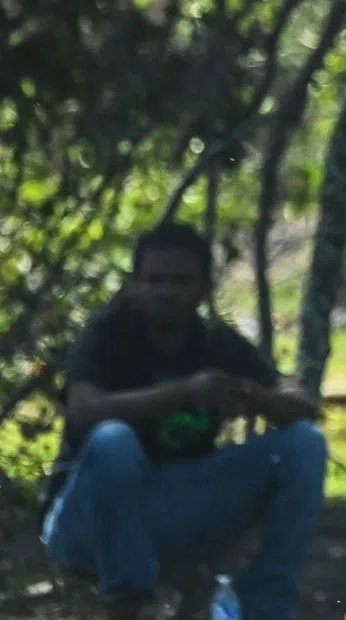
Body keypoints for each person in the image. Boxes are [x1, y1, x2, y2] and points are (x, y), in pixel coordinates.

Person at [39, 223, 325, 620]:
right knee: (112, 440)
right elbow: (82, 410)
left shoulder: (215, 343)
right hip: (86, 522)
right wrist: (183, 393)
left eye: (181, 281)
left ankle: (267, 605)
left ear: (204, 288)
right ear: (135, 285)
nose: (167, 292)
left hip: (176, 508)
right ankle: (127, 604)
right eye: (155, 280)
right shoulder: (108, 334)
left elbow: (302, 403)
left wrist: (254, 397)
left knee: (305, 443)